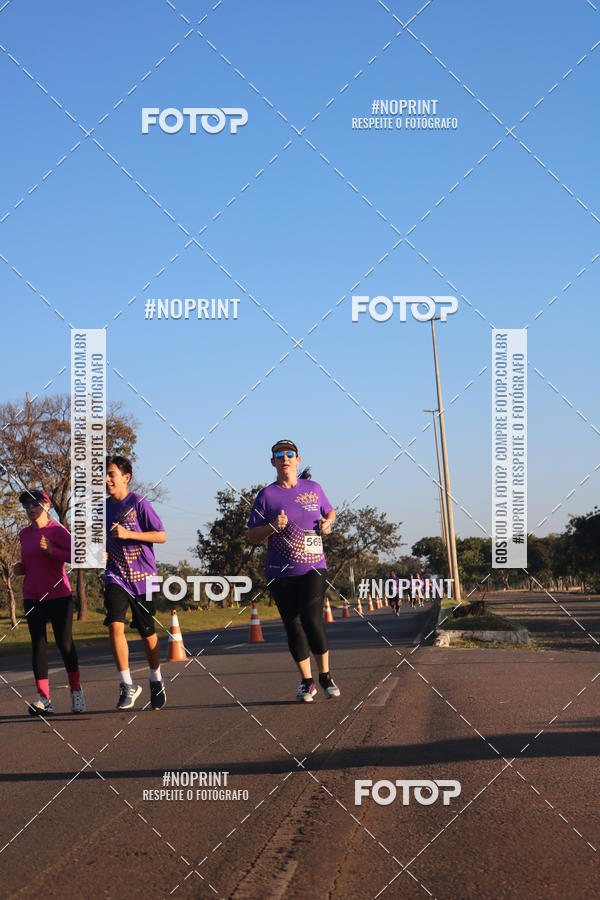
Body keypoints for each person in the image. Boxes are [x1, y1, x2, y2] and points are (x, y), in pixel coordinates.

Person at [247, 439, 340, 702]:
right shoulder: (267, 495)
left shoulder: (314, 488)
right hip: (280, 571)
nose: (285, 458)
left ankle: (325, 676)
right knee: (293, 625)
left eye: (290, 454)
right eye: (279, 454)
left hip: (313, 566)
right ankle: (307, 681)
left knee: (311, 619)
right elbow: (252, 534)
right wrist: (272, 527)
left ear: (297, 460)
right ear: (273, 461)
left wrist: (327, 524)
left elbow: (330, 513)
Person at [13, 489, 85, 715]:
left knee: (64, 644)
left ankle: (76, 691)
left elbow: (78, 556)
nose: (30, 508)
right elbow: (30, 563)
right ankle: (44, 699)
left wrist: (53, 551)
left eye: (34, 503)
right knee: (38, 644)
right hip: (32, 594)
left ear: (46, 504)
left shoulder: (58, 530)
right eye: (26, 505)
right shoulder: (24, 534)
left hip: (59, 595)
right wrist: (20, 569)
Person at [104, 456, 167, 710]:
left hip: (146, 578)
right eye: (105, 475)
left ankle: (156, 678)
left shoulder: (138, 503)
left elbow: (161, 535)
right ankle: (127, 683)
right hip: (116, 576)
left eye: (111, 474)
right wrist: (100, 553)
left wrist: (129, 533)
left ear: (125, 477)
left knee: (147, 631)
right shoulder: (101, 509)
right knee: (115, 625)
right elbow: (96, 544)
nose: (107, 479)